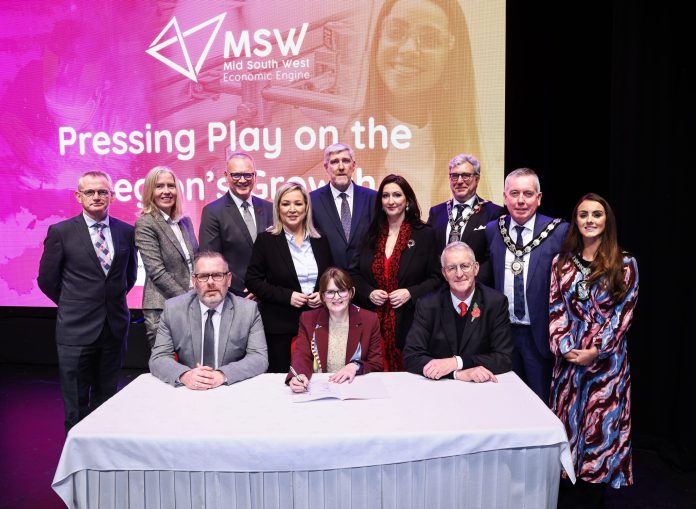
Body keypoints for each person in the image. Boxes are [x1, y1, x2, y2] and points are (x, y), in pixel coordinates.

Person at [550, 194, 639, 506]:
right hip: (570, 360)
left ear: (606, 220)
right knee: (567, 426)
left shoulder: (625, 263)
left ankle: (593, 494)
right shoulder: (561, 262)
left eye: (596, 214)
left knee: (599, 433)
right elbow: (556, 307)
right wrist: (565, 346)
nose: (589, 220)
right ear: (576, 220)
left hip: (607, 365)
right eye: (583, 214)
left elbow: (623, 314)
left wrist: (597, 349)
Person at [353, 0, 485, 208]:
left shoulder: (469, 152)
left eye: (429, 38)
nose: (408, 49)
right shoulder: (342, 145)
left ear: (450, 55)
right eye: (396, 32)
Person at [37, 170, 137, 432]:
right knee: (77, 404)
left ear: (112, 196)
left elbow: (129, 277)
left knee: (107, 399)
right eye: (90, 192)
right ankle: (77, 464)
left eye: (102, 191)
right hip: (75, 331)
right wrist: (74, 303)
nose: (96, 196)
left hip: (114, 328)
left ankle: (103, 457)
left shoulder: (126, 232)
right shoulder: (61, 232)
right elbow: (47, 280)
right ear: (78, 196)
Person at [485, 167, 568, 402]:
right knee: (505, 401)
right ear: (504, 197)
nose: (520, 200)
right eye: (514, 193)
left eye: (528, 194)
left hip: (539, 334)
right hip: (503, 334)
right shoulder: (494, 230)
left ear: (539, 198)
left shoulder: (558, 231)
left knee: (540, 402)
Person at [350, 174, 442, 371]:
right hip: (373, 325)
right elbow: (354, 274)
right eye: (385, 196)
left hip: (412, 323)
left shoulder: (425, 234)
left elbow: (437, 278)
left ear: (407, 200)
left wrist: (411, 293)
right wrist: (369, 292)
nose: (391, 201)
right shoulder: (369, 233)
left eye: (397, 195)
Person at [245, 182, 333, 372]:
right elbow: (252, 280)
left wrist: (323, 293)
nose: (292, 209)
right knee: (281, 385)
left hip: (319, 321)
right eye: (286, 204)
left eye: (298, 204)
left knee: (320, 379)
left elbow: (330, 276)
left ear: (306, 207)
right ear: (277, 208)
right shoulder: (266, 240)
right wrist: (287, 296)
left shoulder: (320, 240)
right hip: (279, 326)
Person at [149, 251, 268, 388]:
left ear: (228, 279)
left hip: (231, 388)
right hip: (189, 392)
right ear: (194, 281)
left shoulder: (248, 310)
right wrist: (185, 375)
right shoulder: (173, 309)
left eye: (217, 275)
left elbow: (259, 358)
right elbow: (158, 358)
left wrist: (222, 375)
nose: (210, 282)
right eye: (203, 276)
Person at [403, 242, 513, 381]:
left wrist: (457, 362)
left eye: (465, 266)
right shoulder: (428, 305)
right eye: (452, 268)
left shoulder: (495, 303)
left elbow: (504, 358)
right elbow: (411, 357)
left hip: (482, 388)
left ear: (476, 268)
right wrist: (457, 374)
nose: (459, 274)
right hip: (439, 388)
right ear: (444, 273)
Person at [287, 267, 383, 392]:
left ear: (351, 292)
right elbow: (301, 355)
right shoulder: (308, 319)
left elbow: (376, 363)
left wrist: (355, 366)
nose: (336, 297)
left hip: (354, 387)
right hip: (320, 389)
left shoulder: (369, 319)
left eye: (342, 291)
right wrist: (298, 375)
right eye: (330, 292)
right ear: (322, 296)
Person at [135, 166, 198, 349]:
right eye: (159, 186)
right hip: (163, 307)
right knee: (167, 367)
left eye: (170, 186)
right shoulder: (145, 223)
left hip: (192, 302)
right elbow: (157, 272)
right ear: (150, 191)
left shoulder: (185, 221)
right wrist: (188, 299)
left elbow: (195, 261)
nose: (166, 191)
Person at [199, 151, 273, 298]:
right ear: (226, 176)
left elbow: (278, 255)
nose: (242, 180)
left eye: (247, 175)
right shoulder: (213, 212)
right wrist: (248, 287)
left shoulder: (269, 208)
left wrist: (262, 287)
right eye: (236, 175)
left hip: (269, 295)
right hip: (234, 297)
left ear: (255, 176)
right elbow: (211, 260)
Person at [427, 154, 504, 285]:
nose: (460, 181)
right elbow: (429, 254)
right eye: (454, 176)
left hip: (476, 289)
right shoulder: (436, 212)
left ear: (477, 178)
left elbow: (493, 258)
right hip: (439, 290)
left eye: (466, 175)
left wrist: (468, 284)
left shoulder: (494, 212)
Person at [310, 143, 377, 269]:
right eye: (334, 162)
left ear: (353, 165)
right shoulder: (312, 200)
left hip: (367, 282)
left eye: (345, 161)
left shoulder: (372, 198)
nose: (341, 167)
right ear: (326, 167)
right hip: (329, 282)